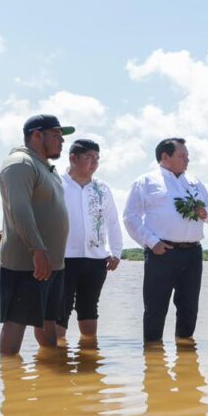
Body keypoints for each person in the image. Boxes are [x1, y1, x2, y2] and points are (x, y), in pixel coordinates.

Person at [123, 138, 208, 344]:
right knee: (155, 308)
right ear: (164, 157)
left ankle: (186, 358)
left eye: (187, 156)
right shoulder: (146, 182)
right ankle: (153, 360)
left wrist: (205, 213)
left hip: (193, 253)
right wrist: (151, 242)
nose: (187, 160)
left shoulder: (194, 182)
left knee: (189, 307)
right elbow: (130, 217)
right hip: (162, 252)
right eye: (182, 156)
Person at [0, 114, 74, 355]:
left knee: (48, 319)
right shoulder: (20, 163)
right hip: (27, 263)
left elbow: (41, 209)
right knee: (16, 321)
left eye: (62, 137)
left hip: (53, 263)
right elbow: (18, 208)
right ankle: (10, 382)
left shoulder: (47, 168)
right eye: (56, 135)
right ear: (37, 135)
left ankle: (50, 378)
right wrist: (37, 249)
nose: (62, 141)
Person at [57, 139, 123, 342]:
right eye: (89, 158)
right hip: (63, 258)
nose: (94, 163)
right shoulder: (56, 183)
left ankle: (89, 355)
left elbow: (112, 221)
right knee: (60, 308)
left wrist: (116, 252)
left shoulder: (102, 188)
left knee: (89, 307)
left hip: (96, 259)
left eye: (97, 158)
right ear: (73, 158)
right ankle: (57, 359)